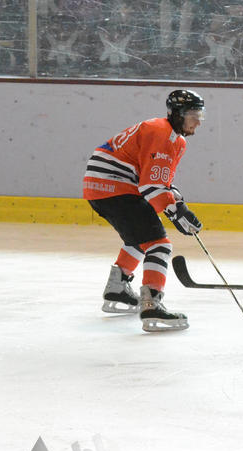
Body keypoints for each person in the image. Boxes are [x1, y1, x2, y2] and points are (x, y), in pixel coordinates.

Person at [83, 89, 204, 332]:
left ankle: (117, 290)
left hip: (100, 187)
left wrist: (177, 205)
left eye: (200, 115)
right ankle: (152, 306)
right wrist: (176, 213)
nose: (198, 121)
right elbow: (151, 186)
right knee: (159, 245)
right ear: (178, 114)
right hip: (117, 188)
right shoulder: (162, 134)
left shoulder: (170, 136)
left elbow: (159, 182)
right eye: (193, 115)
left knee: (140, 239)